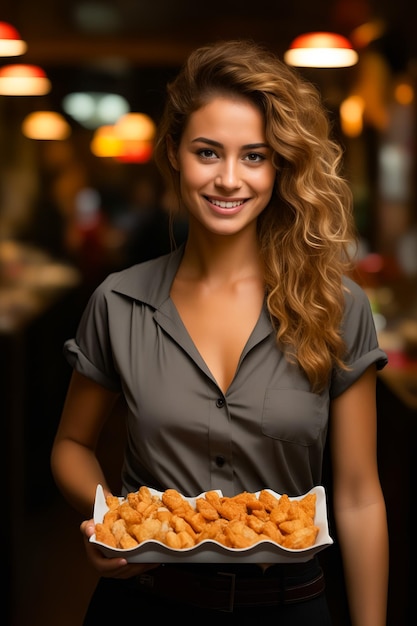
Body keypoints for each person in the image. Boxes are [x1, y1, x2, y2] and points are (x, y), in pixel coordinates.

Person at [50, 39, 389, 625]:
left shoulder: (336, 306)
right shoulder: (119, 300)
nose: (229, 179)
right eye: (208, 152)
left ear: (280, 165)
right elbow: (71, 446)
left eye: (254, 156)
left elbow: (358, 496)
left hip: (291, 608)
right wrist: (105, 518)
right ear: (175, 156)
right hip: (146, 604)